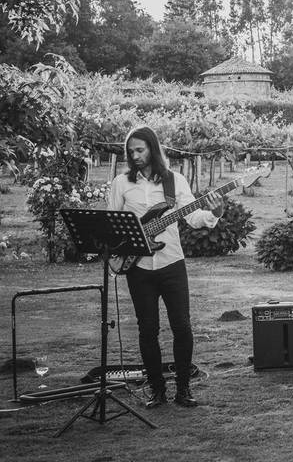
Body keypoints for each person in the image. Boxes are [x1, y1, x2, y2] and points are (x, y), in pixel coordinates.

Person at [108, 126, 223, 408]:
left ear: (152, 149)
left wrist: (215, 213)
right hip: (138, 267)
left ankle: (183, 389)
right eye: (131, 151)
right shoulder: (121, 183)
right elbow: (113, 224)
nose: (134, 156)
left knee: (182, 327)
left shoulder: (175, 181)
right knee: (148, 330)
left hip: (172, 262)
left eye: (140, 150)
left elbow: (193, 216)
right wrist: (122, 247)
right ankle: (157, 390)